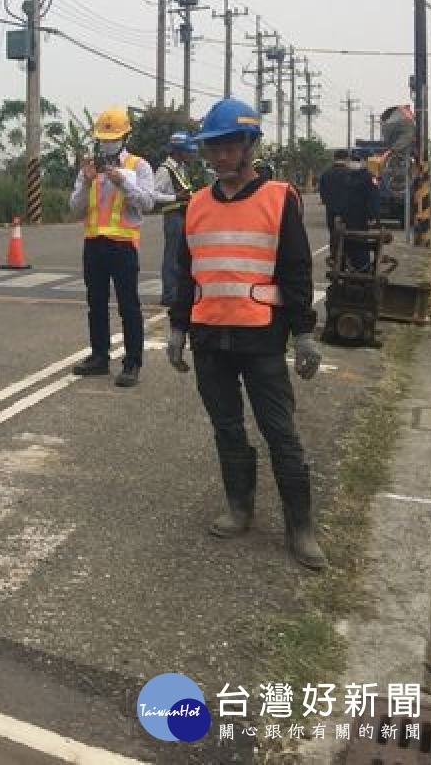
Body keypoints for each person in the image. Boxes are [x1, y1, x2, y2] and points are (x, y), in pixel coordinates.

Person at [165, 97, 325, 571]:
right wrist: (177, 327)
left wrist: (304, 334)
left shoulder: (278, 198)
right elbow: (186, 271)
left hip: (261, 337)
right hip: (210, 337)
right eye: (212, 147)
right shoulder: (196, 204)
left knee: (280, 432)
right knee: (227, 428)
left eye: (229, 146)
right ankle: (240, 507)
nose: (219, 156)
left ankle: (301, 526)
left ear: (250, 145)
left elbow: (296, 271)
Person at [69, 106, 155, 387]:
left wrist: (122, 183)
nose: (107, 143)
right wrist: (85, 181)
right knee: (96, 304)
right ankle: (99, 357)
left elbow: (147, 202)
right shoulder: (90, 168)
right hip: (94, 244)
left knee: (129, 305)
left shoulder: (137, 166)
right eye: (103, 138)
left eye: (113, 137)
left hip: (123, 245)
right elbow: (75, 208)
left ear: (125, 137)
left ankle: (132, 362)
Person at [153, 131, 198, 307]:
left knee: (182, 256)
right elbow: (154, 195)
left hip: (184, 215)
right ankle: (169, 294)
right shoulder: (165, 170)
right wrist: (175, 198)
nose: (191, 154)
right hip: (173, 216)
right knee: (172, 256)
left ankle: (178, 291)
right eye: (188, 151)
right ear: (178, 151)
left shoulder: (182, 168)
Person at [317, 149, 351, 262]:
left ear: (334, 158)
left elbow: (322, 190)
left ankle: (333, 254)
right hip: (347, 209)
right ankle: (346, 254)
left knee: (333, 232)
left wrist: (326, 201)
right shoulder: (350, 173)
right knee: (348, 233)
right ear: (346, 159)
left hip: (331, 208)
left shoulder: (326, 173)